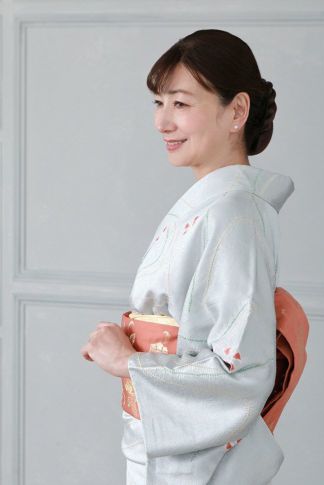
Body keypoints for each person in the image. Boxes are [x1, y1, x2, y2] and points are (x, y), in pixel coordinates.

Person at [80, 28, 295, 485]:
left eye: (180, 103)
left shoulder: (235, 214)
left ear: (236, 111)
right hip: (164, 444)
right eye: (159, 103)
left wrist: (129, 362)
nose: (162, 122)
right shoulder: (213, 207)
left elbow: (243, 373)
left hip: (199, 463)